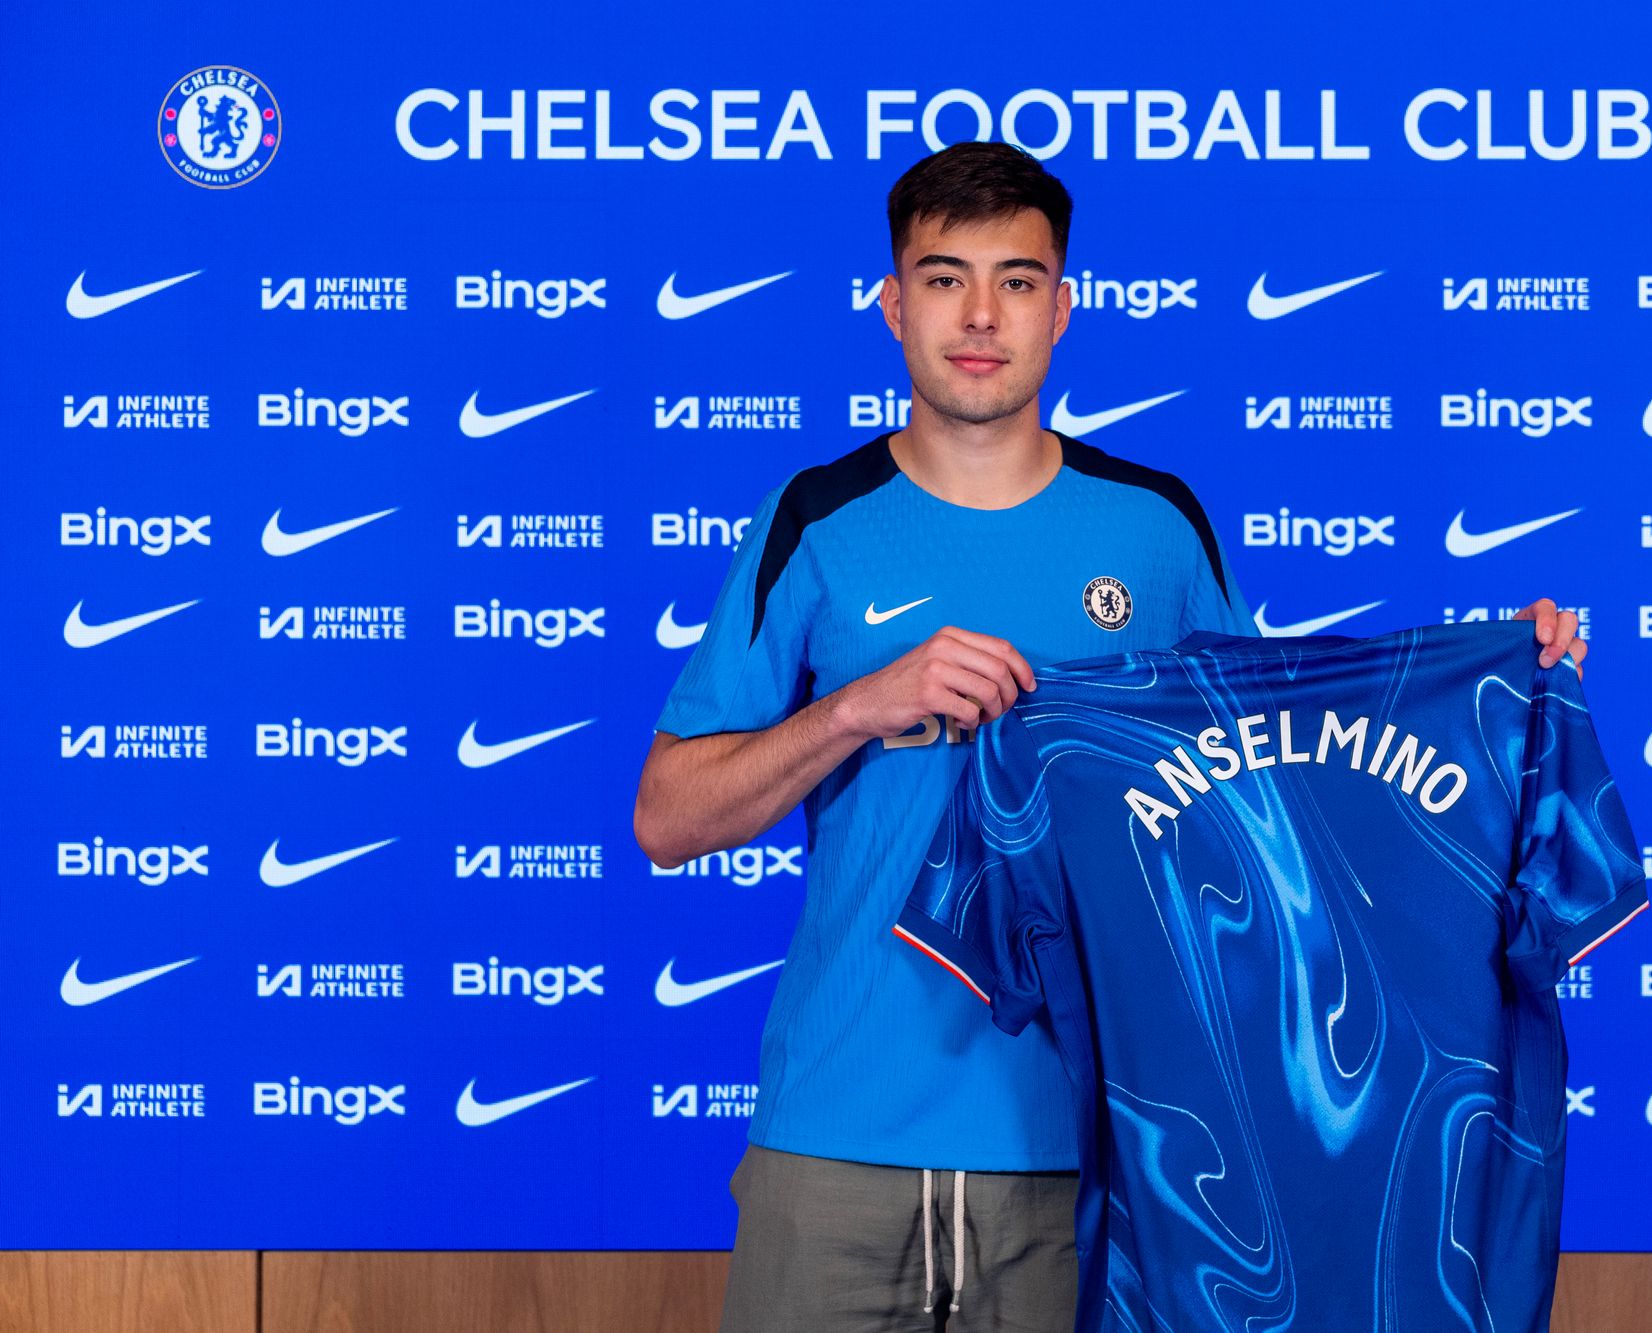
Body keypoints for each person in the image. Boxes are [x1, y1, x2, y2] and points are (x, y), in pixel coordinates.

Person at [630, 139, 1587, 1331]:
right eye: (943, 277)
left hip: (1097, 1145)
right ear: (891, 304)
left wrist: (1497, 690)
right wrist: (856, 707)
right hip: (837, 1138)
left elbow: (1284, 793)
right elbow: (666, 817)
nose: (981, 315)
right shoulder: (814, 519)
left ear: (1062, 307)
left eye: (1017, 280)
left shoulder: (1153, 528)